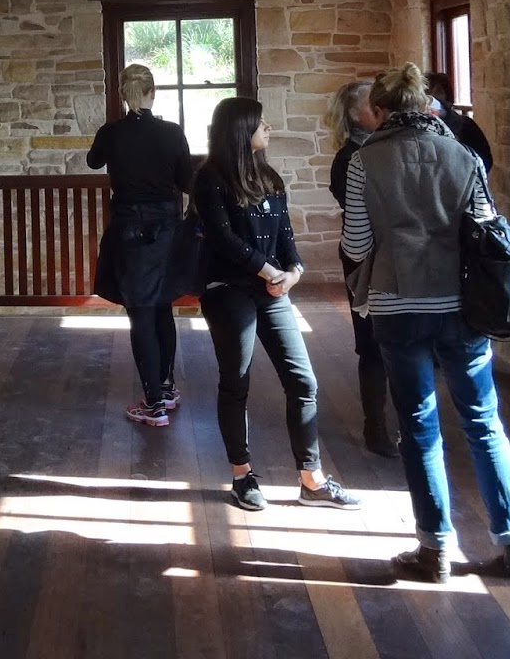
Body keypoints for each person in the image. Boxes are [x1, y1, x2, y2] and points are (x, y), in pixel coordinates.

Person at [342, 63, 510, 583]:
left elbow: (356, 243)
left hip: (397, 304)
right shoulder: (462, 155)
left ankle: (435, 548)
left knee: (419, 426)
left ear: (380, 110)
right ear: (424, 105)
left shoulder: (364, 161)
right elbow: (486, 229)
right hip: (460, 304)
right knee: (483, 421)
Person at [192, 97, 360, 511]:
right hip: (228, 290)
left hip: (271, 291)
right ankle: (242, 474)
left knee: (303, 382)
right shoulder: (210, 178)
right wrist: (270, 272)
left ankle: (311, 480)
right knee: (237, 381)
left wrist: (295, 272)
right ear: (239, 129)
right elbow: (223, 239)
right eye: (260, 123)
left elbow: (286, 236)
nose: (268, 128)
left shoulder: (268, 177)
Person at [87, 64, 193, 427]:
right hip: (167, 230)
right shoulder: (172, 132)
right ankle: (166, 388)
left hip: (130, 231)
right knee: (162, 307)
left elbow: (93, 161)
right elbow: (187, 182)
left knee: (141, 313)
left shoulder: (111, 133)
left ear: (122, 94)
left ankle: (154, 404)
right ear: (153, 92)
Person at [324, 79, 398, 458]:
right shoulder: (348, 160)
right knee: (372, 344)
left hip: (393, 256)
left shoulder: (386, 150)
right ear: (355, 114)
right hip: (365, 260)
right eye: (372, 103)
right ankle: (375, 426)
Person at [425, 70, 493, 172]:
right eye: (428, 94)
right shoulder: (416, 129)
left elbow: (485, 161)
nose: (432, 99)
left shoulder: (465, 126)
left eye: (438, 92)